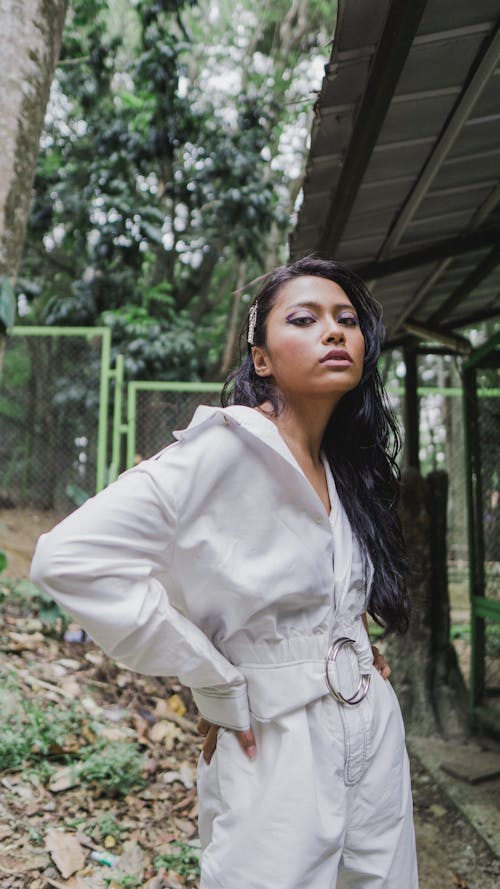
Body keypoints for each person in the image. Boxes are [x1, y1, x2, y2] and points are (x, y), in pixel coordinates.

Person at [31, 256, 419, 889]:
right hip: (271, 740)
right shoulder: (220, 450)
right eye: (305, 318)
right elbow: (69, 558)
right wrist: (214, 679)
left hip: (375, 730)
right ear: (261, 358)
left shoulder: (348, 466)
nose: (335, 332)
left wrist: (348, 643)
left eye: (347, 320)